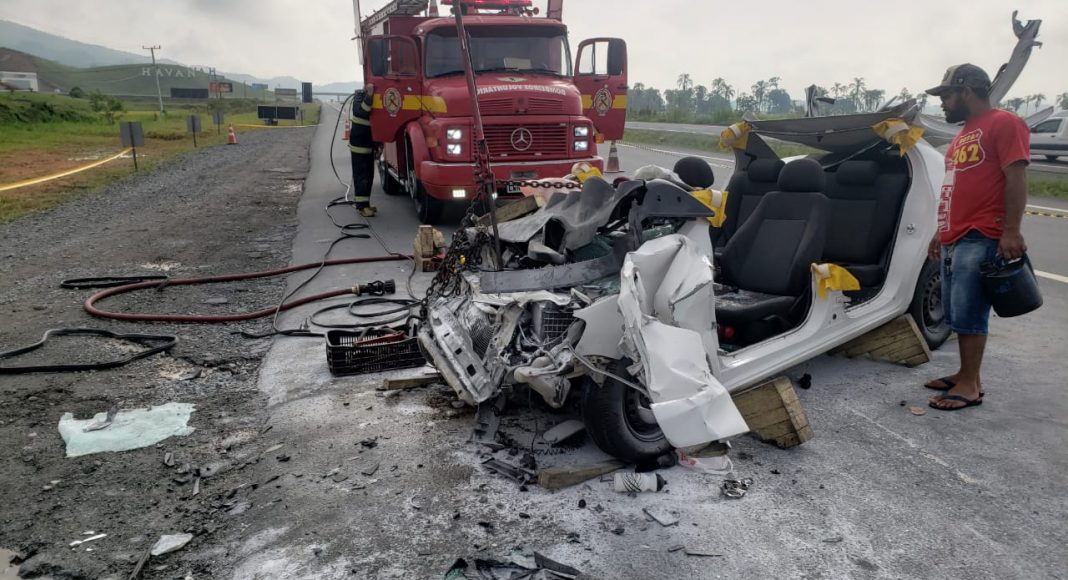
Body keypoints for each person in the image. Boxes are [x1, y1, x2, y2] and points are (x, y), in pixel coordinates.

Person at [923, 63, 1030, 411]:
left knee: (971, 311)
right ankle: (965, 372)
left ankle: (970, 385)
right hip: (957, 234)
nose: (942, 103)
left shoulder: (1004, 123)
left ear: (966, 91)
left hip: (982, 232)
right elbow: (956, 187)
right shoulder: (965, 133)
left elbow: (1015, 177)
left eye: (946, 95)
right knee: (956, 311)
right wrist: (942, 231)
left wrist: (1010, 230)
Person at [349, 84, 376, 217]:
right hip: (359, 144)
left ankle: (366, 203)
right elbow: (362, 111)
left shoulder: (372, 97)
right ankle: (361, 206)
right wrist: (369, 96)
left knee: (369, 175)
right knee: (361, 175)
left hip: (368, 143)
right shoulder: (359, 96)